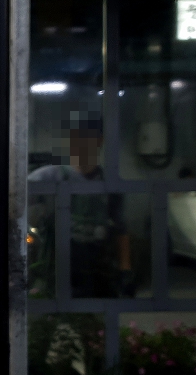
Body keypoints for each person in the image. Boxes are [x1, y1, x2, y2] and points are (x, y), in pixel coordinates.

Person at [28, 110, 133, 298]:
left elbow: (121, 230)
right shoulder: (47, 177)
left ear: (99, 141)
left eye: (87, 137)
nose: (80, 143)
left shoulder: (110, 184)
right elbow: (12, 205)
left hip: (96, 280)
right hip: (55, 278)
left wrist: (125, 270)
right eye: (75, 137)